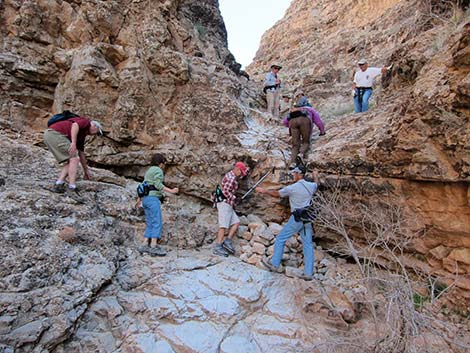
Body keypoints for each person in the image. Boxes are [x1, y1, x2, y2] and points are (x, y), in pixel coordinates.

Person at [256, 165, 319, 281]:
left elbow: (277, 193)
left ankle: (274, 264)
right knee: (308, 244)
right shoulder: (311, 186)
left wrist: (264, 190)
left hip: (297, 218)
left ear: (298, 174)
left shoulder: (293, 188)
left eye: (294, 173)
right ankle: (308, 273)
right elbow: (316, 184)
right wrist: (315, 176)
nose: (293, 175)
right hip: (307, 218)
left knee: (280, 238)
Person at [43, 114, 103, 195]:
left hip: (50, 135)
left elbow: (81, 153)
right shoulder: (86, 122)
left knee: (71, 160)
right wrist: (73, 143)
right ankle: (72, 187)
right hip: (55, 134)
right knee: (74, 159)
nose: (95, 134)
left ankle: (59, 184)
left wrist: (86, 170)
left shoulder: (81, 136)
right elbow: (75, 125)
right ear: (95, 126)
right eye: (97, 132)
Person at [135, 153, 178, 256]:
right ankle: (154, 245)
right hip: (153, 198)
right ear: (160, 163)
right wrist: (171, 191)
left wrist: (139, 199)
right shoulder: (158, 170)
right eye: (163, 163)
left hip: (145, 199)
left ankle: (145, 243)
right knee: (156, 221)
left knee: (150, 221)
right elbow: (158, 185)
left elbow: (144, 185)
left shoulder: (149, 171)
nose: (164, 166)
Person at [214, 161, 249, 257]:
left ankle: (227, 241)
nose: (241, 175)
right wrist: (235, 199)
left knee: (236, 222)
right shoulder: (231, 178)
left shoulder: (233, 175)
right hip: (224, 204)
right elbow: (225, 192)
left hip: (228, 204)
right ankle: (218, 247)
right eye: (241, 172)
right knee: (223, 226)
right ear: (237, 169)